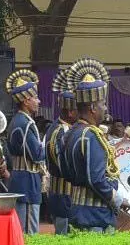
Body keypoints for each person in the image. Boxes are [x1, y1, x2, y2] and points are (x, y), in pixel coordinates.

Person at [63, 59, 125, 231]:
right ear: (92, 108)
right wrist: (119, 200)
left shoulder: (71, 133)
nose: (105, 108)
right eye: (103, 104)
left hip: (76, 210)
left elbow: (66, 173)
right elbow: (96, 179)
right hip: (96, 216)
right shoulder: (90, 135)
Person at [5, 68, 46, 233]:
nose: (39, 101)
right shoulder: (24, 123)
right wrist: (48, 147)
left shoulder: (19, 120)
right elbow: (36, 154)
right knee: (29, 232)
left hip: (22, 180)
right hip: (27, 182)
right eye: (35, 98)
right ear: (26, 101)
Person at [44, 69, 77, 235]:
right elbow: (63, 165)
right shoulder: (60, 131)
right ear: (71, 112)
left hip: (63, 195)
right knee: (65, 237)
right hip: (64, 193)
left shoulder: (60, 128)